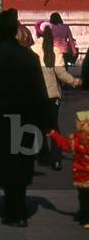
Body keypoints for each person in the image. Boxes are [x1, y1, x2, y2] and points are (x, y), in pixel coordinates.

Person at [0, 9, 49, 227]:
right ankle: (18, 206)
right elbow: (39, 91)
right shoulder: (29, 57)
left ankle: (11, 207)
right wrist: (45, 121)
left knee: (3, 159)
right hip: (25, 118)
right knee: (21, 161)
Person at [33, 24, 81, 170]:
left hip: (36, 95)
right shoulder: (55, 51)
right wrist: (75, 81)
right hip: (53, 95)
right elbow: (61, 74)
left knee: (39, 126)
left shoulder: (31, 51)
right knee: (54, 127)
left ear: (36, 33)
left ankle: (42, 155)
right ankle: (56, 159)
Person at [48, 110, 89, 228]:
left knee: (84, 198)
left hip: (82, 176)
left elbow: (64, 145)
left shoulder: (76, 139)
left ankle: (86, 219)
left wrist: (53, 134)